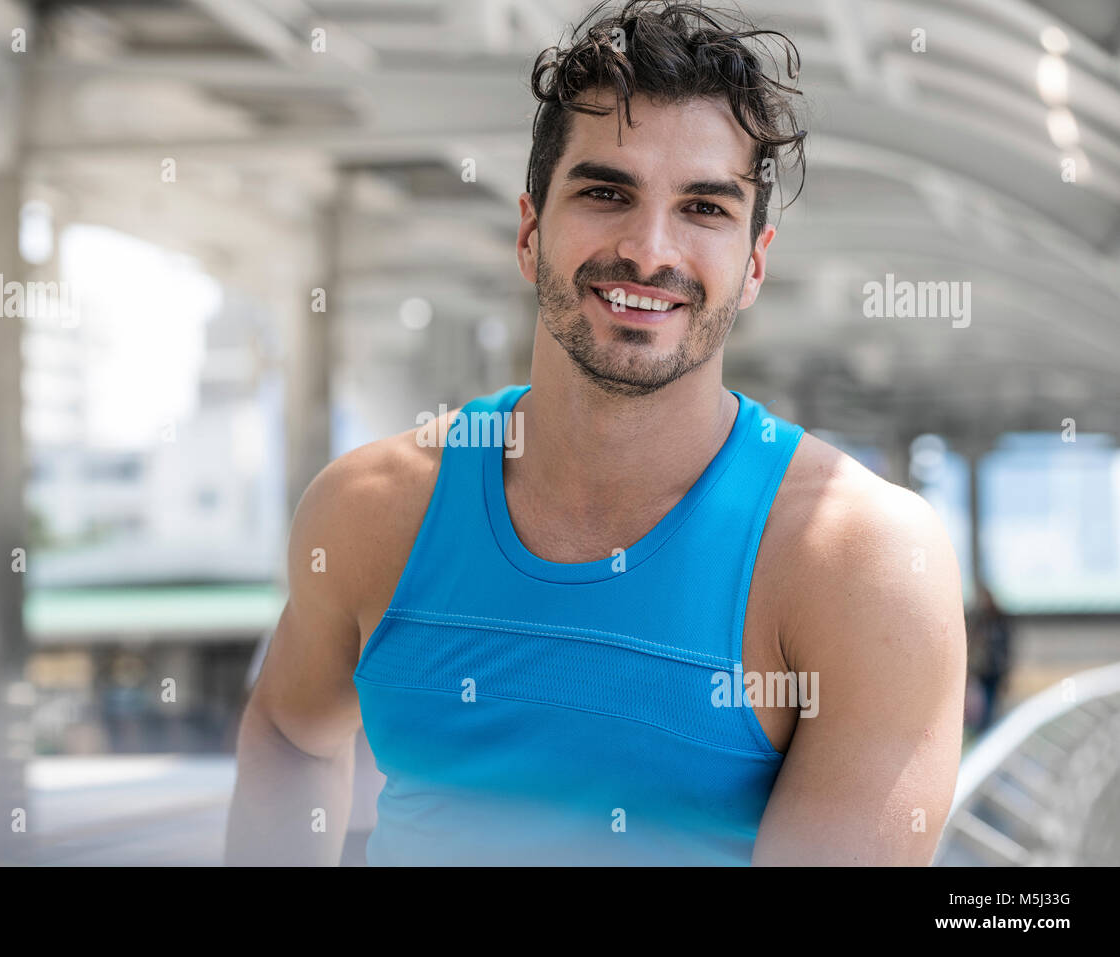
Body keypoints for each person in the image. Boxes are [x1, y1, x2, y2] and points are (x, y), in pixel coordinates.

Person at [226, 0, 967, 866]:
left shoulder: (858, 564)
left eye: (704, 208)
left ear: (755, 261)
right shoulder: (374, 510)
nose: (649, 251)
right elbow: (288, 730)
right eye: (607, 193)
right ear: (530, 230)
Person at [967, 584, 1013, 732]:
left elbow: (1007, 648)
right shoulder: (978, 620)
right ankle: (983, 730)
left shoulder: (1000, 620)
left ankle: (988, 729)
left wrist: (1007, 672)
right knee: (981, 705)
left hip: (996, 670)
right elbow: (973, 645)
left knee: (993, 703)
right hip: (982, 671)